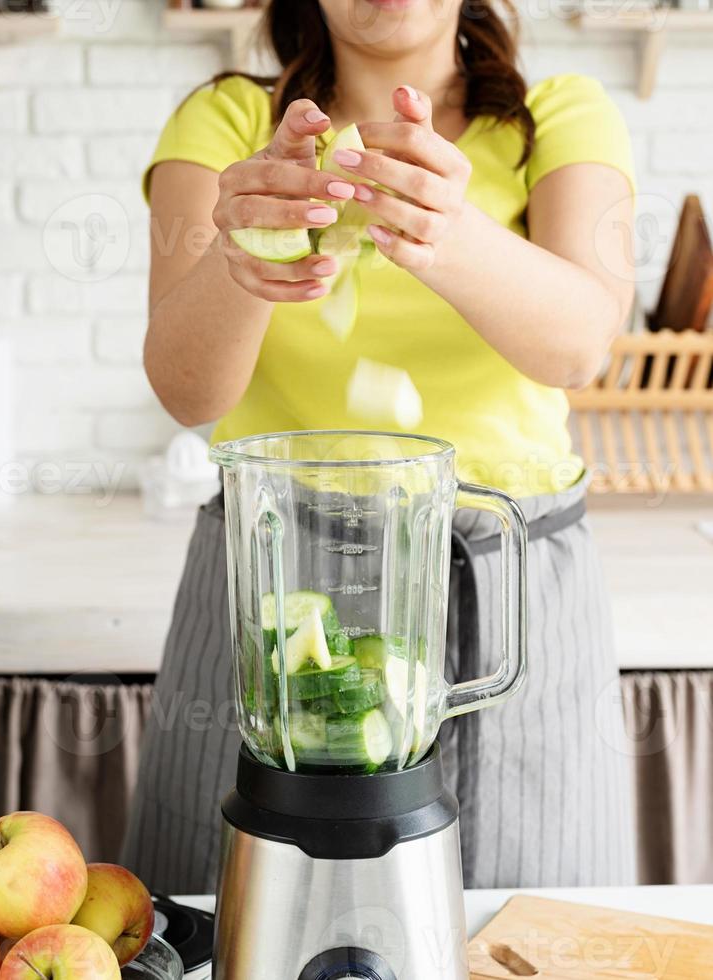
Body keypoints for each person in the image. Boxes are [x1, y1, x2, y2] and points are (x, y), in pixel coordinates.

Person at [122, 0, 637, 894]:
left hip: (512, 581)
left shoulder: (561, 114)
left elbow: (582, 345)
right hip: (272, 577)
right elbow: (186, 390)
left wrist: (450, 232)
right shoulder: (227, 122)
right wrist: (245, 252)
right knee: (238, 916)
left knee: (526, 923)